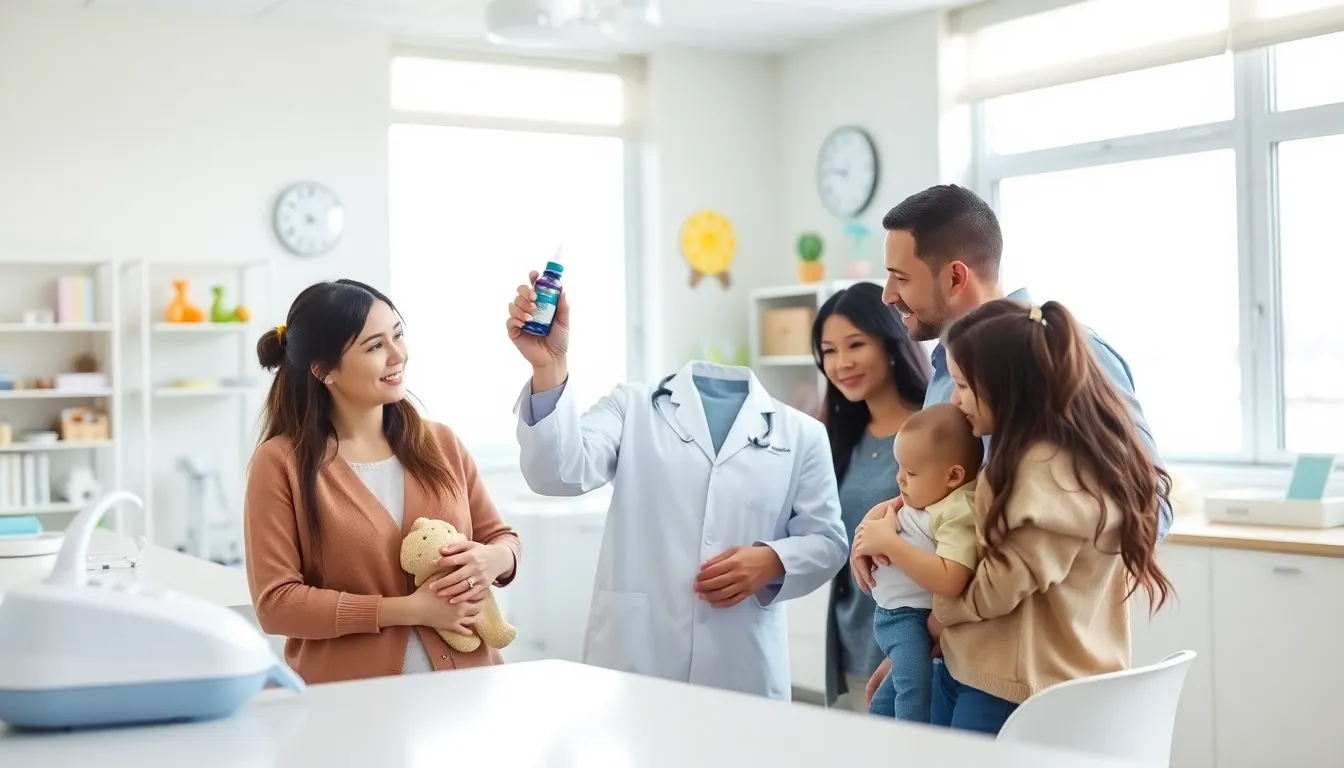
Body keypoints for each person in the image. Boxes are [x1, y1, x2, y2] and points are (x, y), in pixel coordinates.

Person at [854, 184, 1174, 704]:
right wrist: (893, 527)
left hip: (1039, 678)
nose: (887, 295)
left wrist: (959, 607)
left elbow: (1149, 508)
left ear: (955, 275)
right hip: (956, 660)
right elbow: (954, 498)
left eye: (900, 277)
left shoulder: (1072, 356)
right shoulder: (942, 377)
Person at [506, 271, 847, 700]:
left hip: (742, 663)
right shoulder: (632, 406)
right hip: (637, 658)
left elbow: (829, 540)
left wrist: (772, 561)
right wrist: (548, 366)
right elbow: (556, 473)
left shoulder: (801, 433)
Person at [244, 279, 521, 685]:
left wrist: (493, 560)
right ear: (324, 371)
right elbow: (276, 604)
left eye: (398, 335)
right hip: (355, 706)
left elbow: (502, 537)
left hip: (471, 691)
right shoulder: (279, 464)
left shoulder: (442, 443)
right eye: (374, 346)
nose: (398, 355)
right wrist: (409, 610)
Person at [925, 298, 1173, 733]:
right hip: (1035, 681)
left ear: (1006, 388)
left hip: (1012, 691)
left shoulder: (1042, 476)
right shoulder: (1075, 458)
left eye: (963, 385)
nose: (954, 398)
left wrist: (939, 609)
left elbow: (996, 589)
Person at [810, 282, 930, 711]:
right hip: (849, 641)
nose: (841, 364)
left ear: (891, 342)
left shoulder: (934, 431)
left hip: (915, 647)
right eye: (828, 351)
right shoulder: (836, 438)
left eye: (855, 344)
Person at [850, 403, 982, 722]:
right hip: (899, 616)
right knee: (911, 681)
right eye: (899, 468)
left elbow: (951, 578)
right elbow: (881, 519)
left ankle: (906, 741)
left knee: (910, 685)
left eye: (910, 472)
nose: (900, 480)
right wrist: (866, 538)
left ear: (953, 476)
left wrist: (889, 544)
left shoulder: (957, 511)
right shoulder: (927, 499)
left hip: (914, 617)